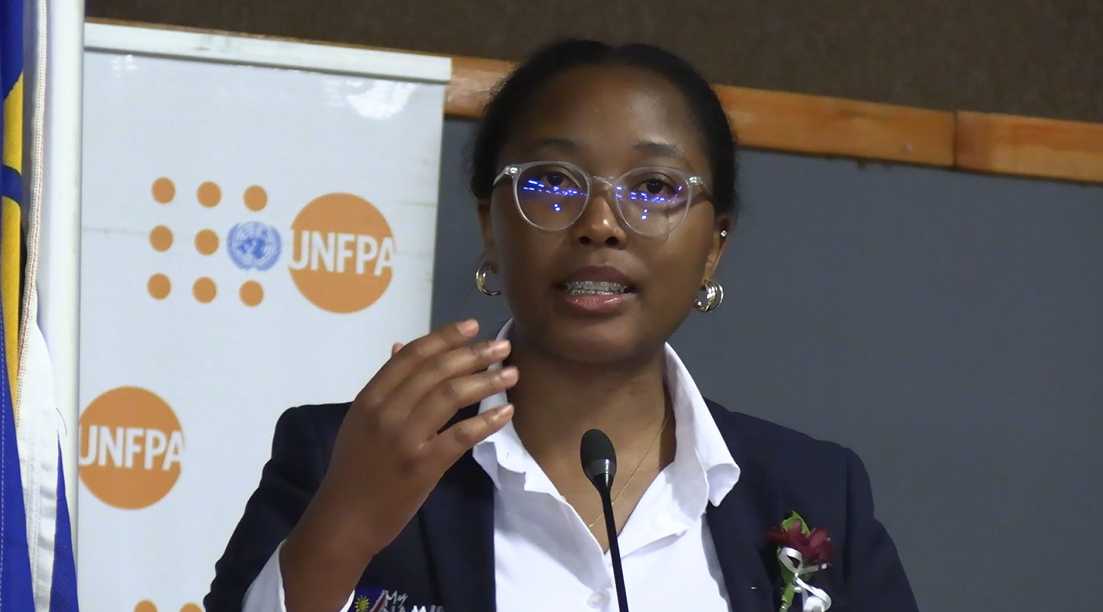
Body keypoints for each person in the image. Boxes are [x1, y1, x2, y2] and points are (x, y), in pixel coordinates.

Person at [204, 39, 918, 612]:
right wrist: (344, 526)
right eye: (551, 183)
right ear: (490, 224)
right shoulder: (346, 458)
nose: (600, 224)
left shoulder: (813, 490)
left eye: (654, 187)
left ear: (714, 245)